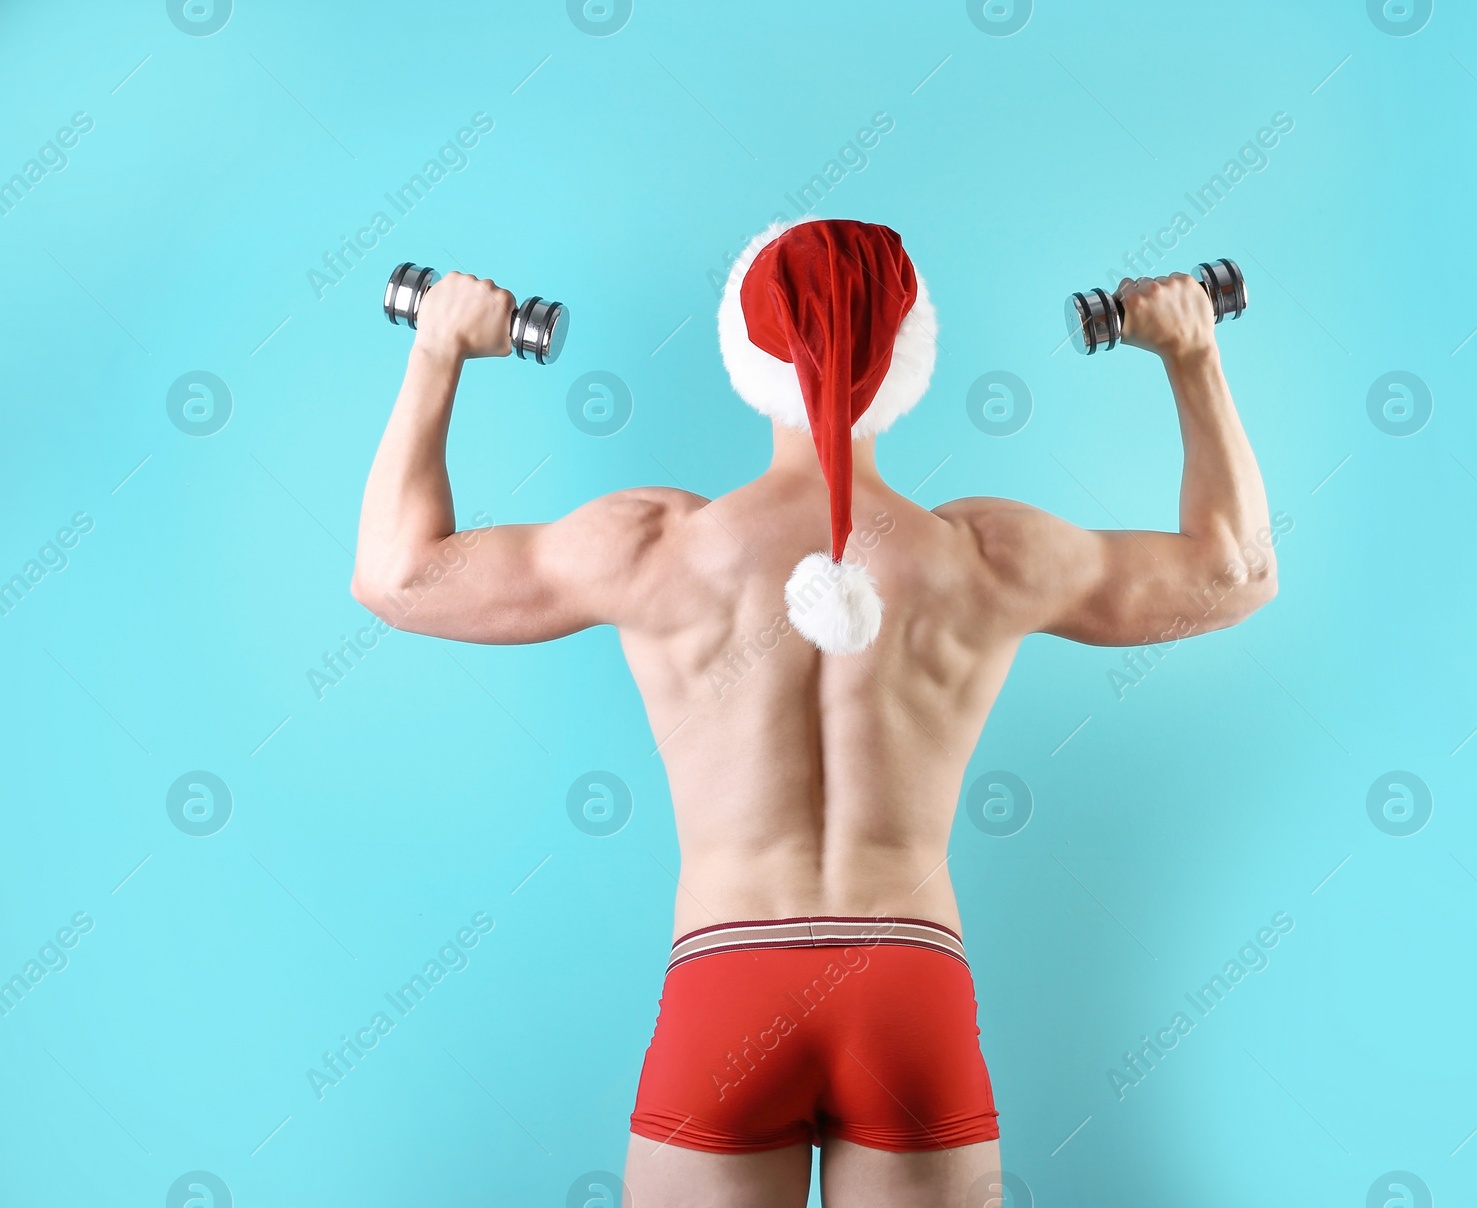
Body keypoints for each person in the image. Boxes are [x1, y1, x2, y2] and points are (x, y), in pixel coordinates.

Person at [352, 218, 1277, 1207]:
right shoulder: (984, 557)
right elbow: (1236, 571)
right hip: (908, 985)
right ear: (908, 359)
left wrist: (438, 347)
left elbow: (396, 577)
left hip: (727, 980)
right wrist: (1191, 351)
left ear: (744, 353)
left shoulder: (656, 547)